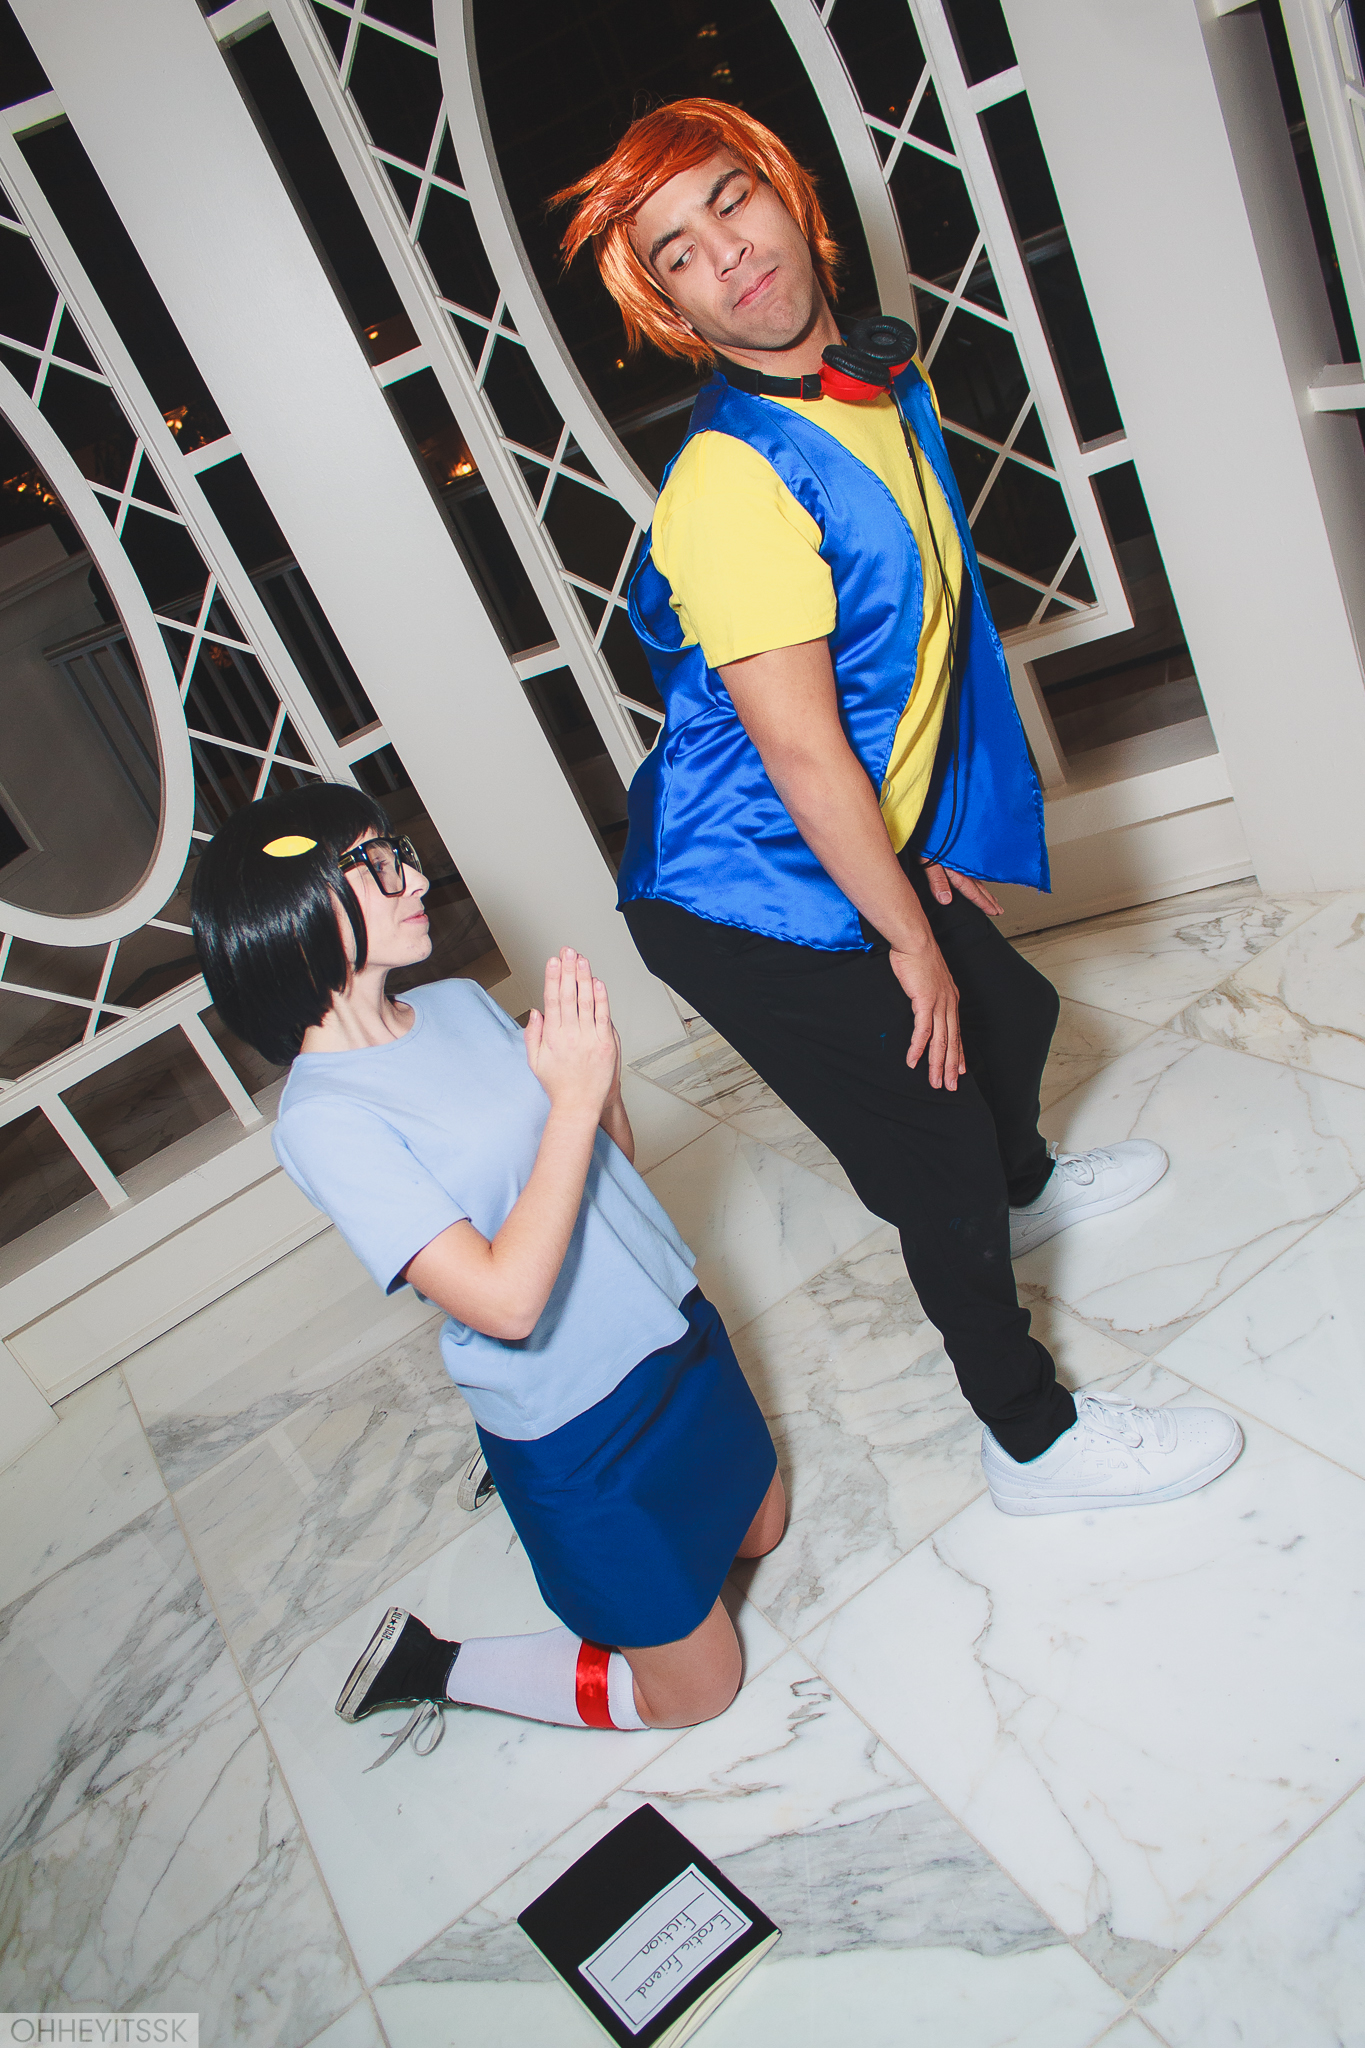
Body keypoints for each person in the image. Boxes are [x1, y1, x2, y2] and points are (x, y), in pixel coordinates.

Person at [554, 99, 1242, 1514]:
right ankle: (1030, 1441)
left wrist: (929, 842)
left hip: (839, 840)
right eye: (677, 253)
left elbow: (921, 650)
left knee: (1014, 1015)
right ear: (672, 309)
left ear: (790, 196)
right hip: (741, 893)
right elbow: (806, 757)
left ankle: (1024, 1183)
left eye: (729, 201)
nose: (724, 253)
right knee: (932, 1149)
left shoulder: (875, 385)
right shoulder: (729, 484)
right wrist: (906, 933)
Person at [191, 781, 784, 1762]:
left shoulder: (457, 1003)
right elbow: (505, 1304)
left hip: (669, 1326)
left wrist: (599, 1085)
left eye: (400, 850)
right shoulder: (324, 1120)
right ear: (289, 911)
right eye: (377, 864)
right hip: (578, 1416)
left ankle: (542, 1505)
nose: (415, 877)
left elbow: (606, 1171)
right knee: (700, 1690)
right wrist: (569, 1102)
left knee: (761, 1531)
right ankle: (437, 1663)